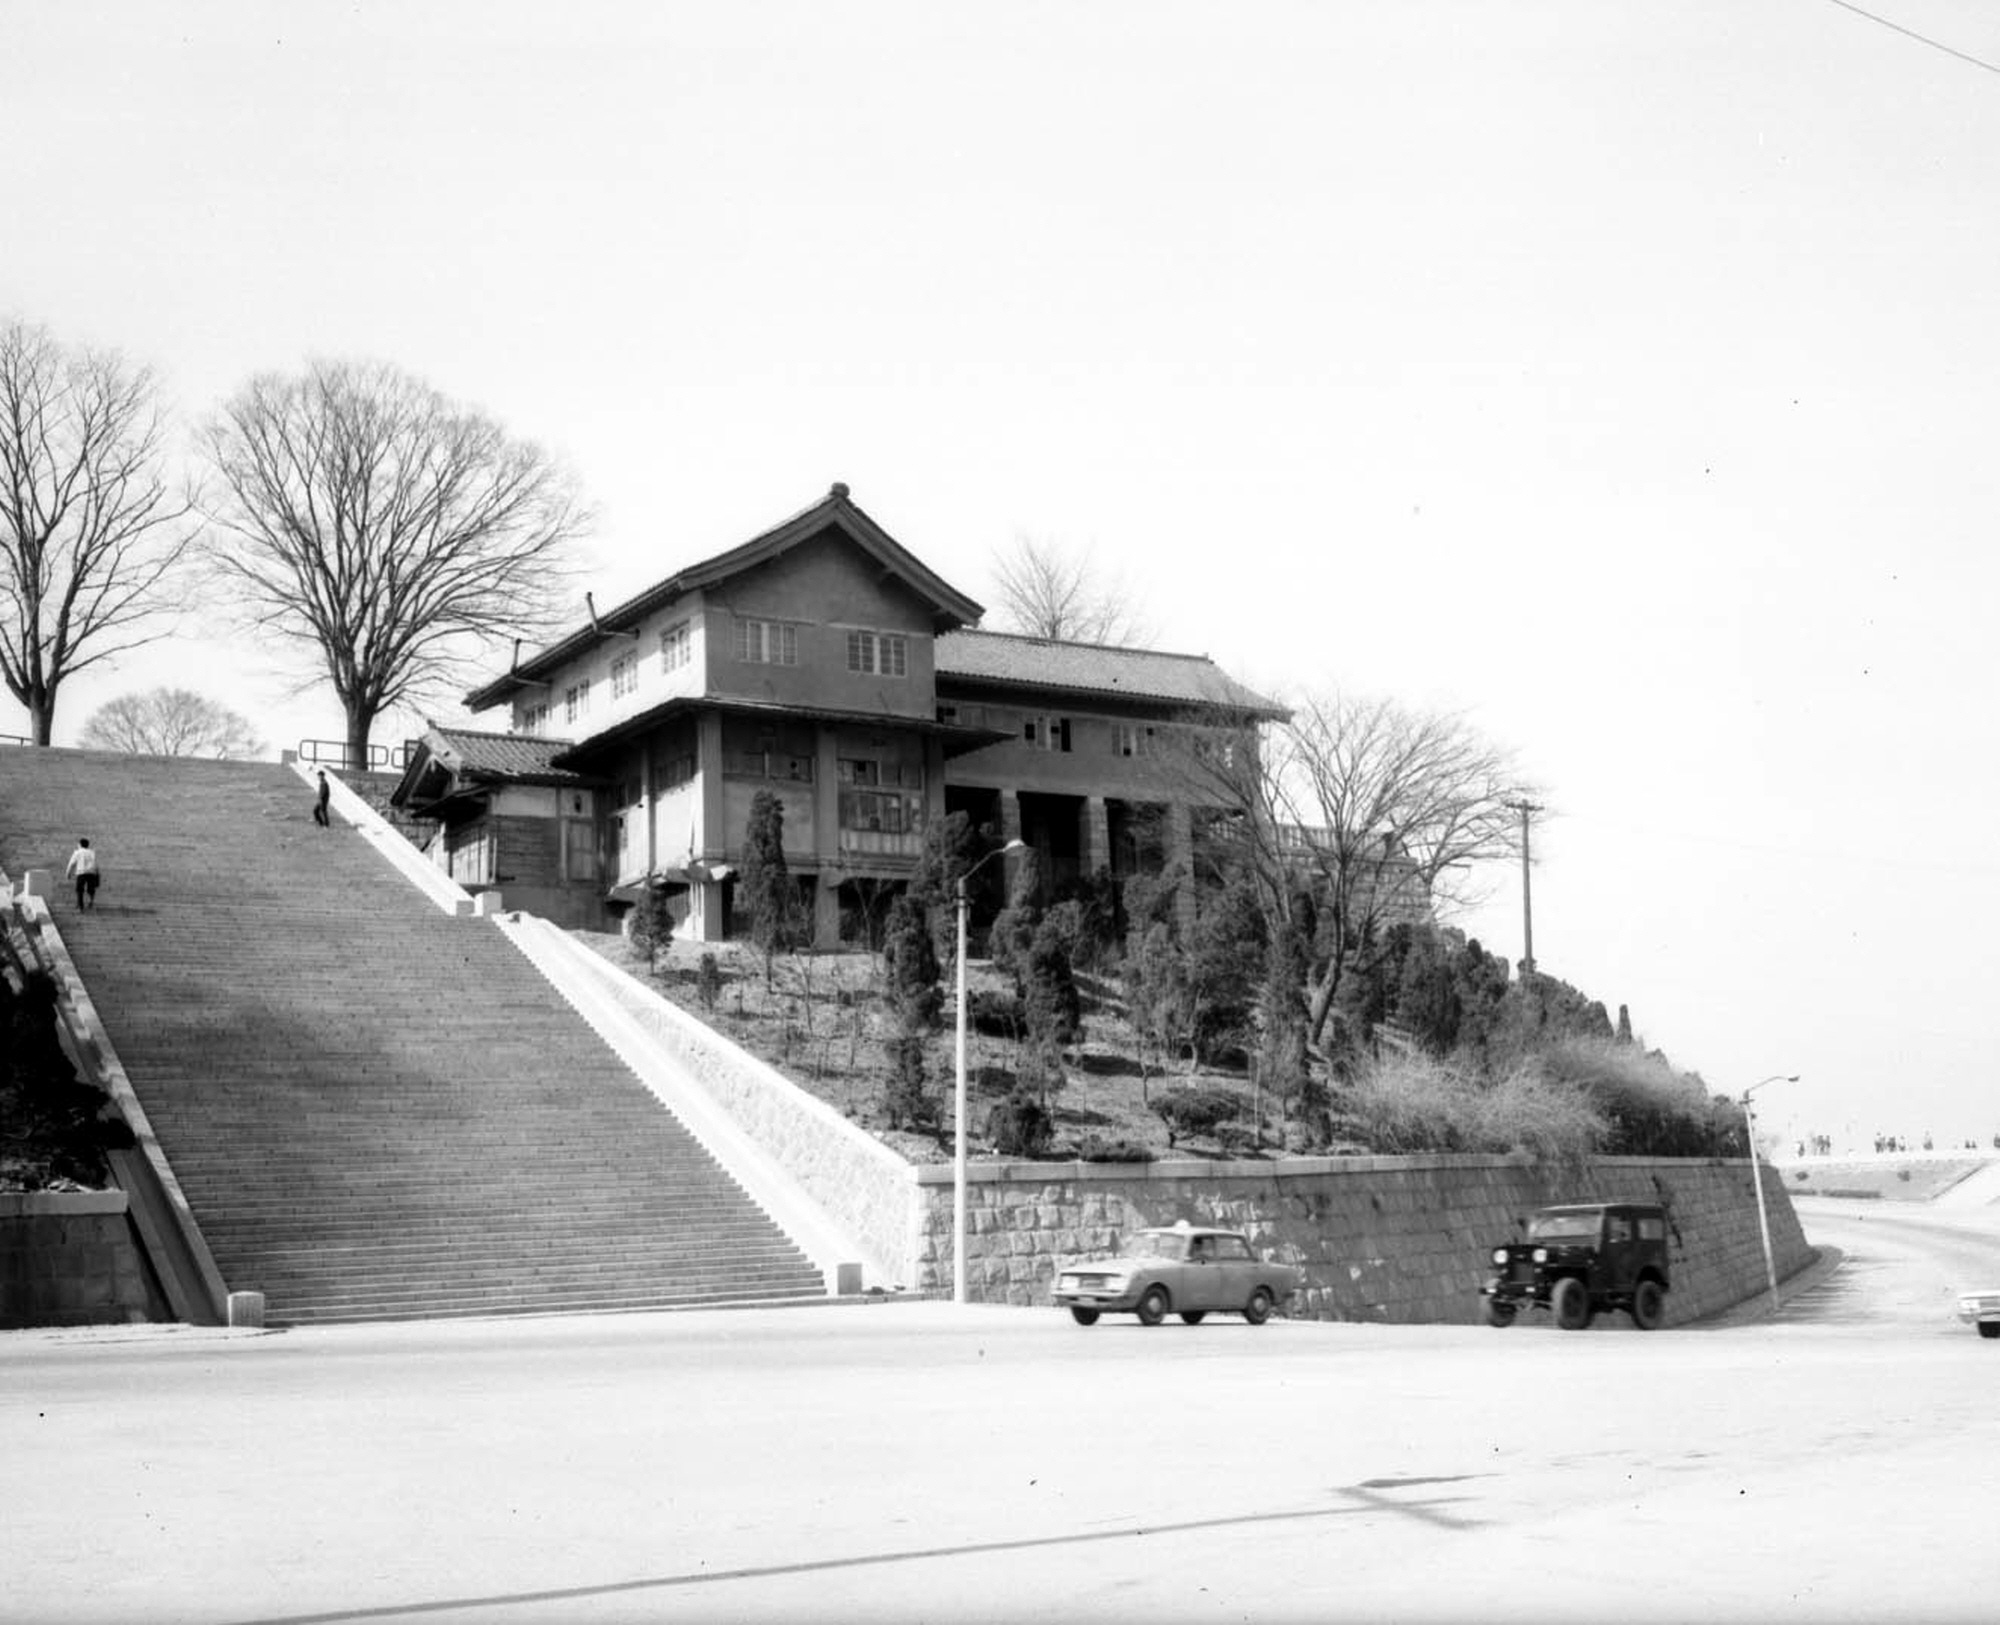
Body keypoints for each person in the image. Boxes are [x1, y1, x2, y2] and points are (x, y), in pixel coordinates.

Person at [64, 837, 101, 910]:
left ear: (80, 845)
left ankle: (80, 905)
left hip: (81, 872)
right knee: (91, 889)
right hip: (91, 872)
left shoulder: (77, 852)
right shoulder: (92, 852)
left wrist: (68, 873)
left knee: (79, 890)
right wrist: (97, 874)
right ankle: (91, 901)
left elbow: (71, 863)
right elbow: (96, 864)